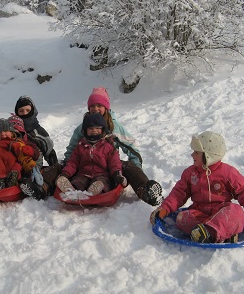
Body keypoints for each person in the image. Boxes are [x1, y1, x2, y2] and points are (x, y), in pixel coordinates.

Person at [21, 87, 163, 205]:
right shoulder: (83, 127)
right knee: (60, 166)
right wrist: (69, 167)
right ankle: (42, 187)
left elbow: (131, 147)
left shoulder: (115, 126)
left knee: (129, 167)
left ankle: (145, 190)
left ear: (106, 107)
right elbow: (72, 149)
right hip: (84, 164)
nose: (95, 108)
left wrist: (134, 167)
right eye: (92, 106)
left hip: (110, 166)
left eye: (99, 105)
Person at [149, 131, 244, 243]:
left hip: (222, 212)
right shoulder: (190, 173)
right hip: (200, 213)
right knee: (181, 218)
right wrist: (165, 208)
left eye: (196, 152)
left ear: (208, 156)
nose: (192, 155)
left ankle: (211, 232)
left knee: (236, 211)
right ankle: (218, 233)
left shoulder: (228, 173)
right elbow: (178, 193)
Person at [56, 113, 127, 195]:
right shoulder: (80, 146)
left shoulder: (108, 147)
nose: (94, 130)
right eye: (90, 128)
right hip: (83, 174)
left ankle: (96, 190)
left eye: (98, 128)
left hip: (102, 175)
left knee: (102, 183)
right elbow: (73, 163)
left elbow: (114, 163)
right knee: (78, 181)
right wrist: (65, 174)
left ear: (103, 130)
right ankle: (71, 190)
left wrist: (117, 174)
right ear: (85, 130)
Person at [13, 95, 58, 168]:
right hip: (13, 168)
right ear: (17, 112)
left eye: (28, 110)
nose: (25, 113)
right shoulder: (12, 130)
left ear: (33, 110)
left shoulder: (39, 132)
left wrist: (55, 169)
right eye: (21, 111)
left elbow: (50, 153)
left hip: (34, 169)